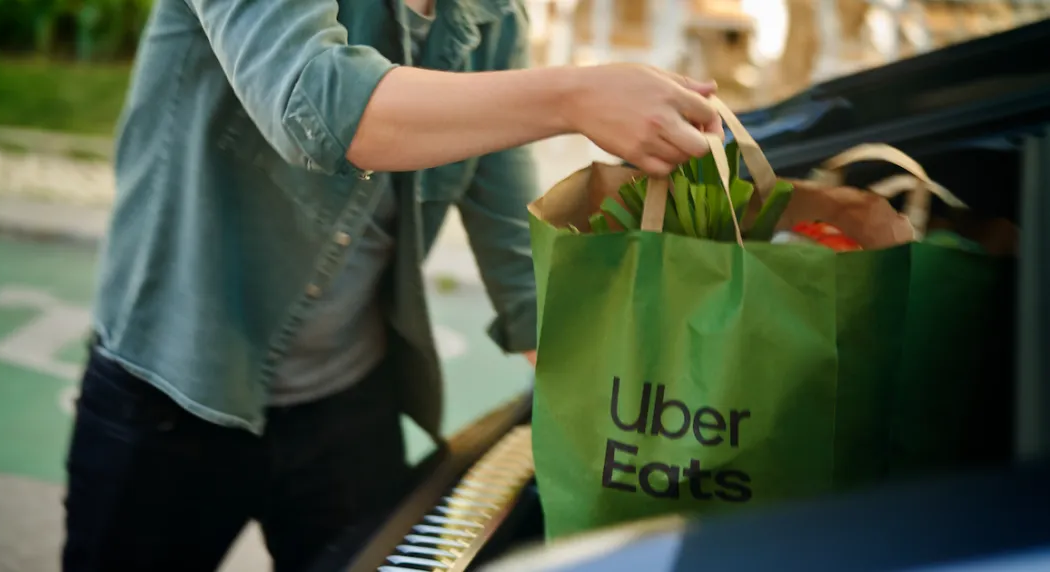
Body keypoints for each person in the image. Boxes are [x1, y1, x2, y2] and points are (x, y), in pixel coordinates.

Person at [61, 0, 723, 570]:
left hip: (348, 397)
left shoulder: (487, 12)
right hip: (172, 389)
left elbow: (507, 223)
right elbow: (315, 102)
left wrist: (629, 412)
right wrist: (575, 96)